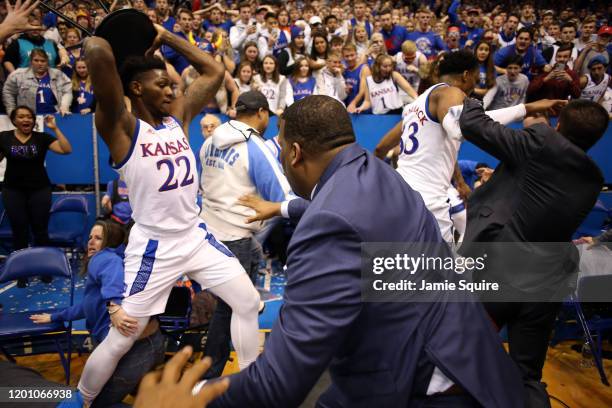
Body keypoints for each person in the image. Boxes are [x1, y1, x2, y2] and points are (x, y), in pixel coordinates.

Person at [205, 95, 525, 408]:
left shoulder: (327, 226)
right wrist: (282, 208)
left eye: (283, 148)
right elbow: (340, 207)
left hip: (429, 386)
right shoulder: (378, 172)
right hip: (471, 359)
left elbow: (278, 383)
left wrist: (192, 398)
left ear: (295, 154)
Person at [80, 22, 260, 405]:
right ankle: (81, 398)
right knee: (124, 336)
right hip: (154, 247)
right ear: (135, 88)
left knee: (247, 302)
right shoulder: (121, 129)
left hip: (194, 236)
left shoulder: (177, 118)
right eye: (161, 84)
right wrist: (114, 36)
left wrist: (164, 35)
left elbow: (213, 70)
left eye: (171, 83)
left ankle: (250, 385)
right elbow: (96, 52)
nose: (170, 89)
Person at [458, 98, 608, 406]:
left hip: (502, 274)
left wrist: (471, 99)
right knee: (527, 375)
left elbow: (473, 125)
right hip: (547, 283)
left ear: (558, 124)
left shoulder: (542, 141)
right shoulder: (592, 180)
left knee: (462, 350)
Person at [374, 50, 562, 242]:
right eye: (476, 78)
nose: (476, 83)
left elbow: (380, 148)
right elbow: (463, 128)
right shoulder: (451, 92)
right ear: (466, 75)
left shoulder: (416, 105)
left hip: (399, 195)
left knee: (398, 264)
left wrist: (526, 108)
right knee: (440, 267)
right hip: (428, 201)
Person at [199, 90, 291, 379]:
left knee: (233, 305)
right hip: (235, 236)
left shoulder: (209, 141)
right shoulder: (254, 146)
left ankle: (215, 369)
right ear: (262, 112)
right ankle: (221, 372)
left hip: (207, 233)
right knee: (238, 308)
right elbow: (283, 196)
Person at [31, 221, 165, 407]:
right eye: (90, 238)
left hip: (136, 347)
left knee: (94, 402)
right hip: (142, 341)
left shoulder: (105, 258)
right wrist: (55, 317)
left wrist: (114, 306)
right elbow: (88, 306)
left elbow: (112, 280)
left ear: (111, 243)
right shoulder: (113, 261)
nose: (91, 242)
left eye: (98, 238)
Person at [0, 107, 72, 287]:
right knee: (19, 231)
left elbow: (66, 150)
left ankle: (45, 269)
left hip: (39, 190)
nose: (26, 119)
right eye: (21, 116)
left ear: (33, 121)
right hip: (13, 190)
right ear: (14, 120)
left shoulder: (42, 138)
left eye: (29, 117)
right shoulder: (4, 137)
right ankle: (21, 272)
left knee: (40, 230)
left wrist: (54, 128)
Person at [3, 48, 72, 116]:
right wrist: (12, 111)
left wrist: (64, 106)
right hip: (27, 118)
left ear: (47, 62)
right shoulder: (17, 75)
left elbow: (67, 91)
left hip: (53, 116)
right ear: (30, 61)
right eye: (36, 60)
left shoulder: (58, 75)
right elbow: (8, 92)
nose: (39, 63)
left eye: (43, 61)